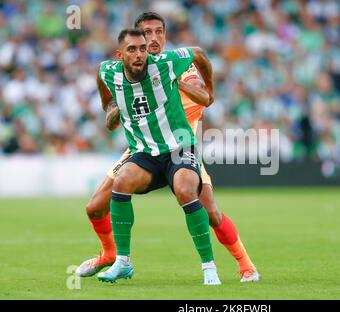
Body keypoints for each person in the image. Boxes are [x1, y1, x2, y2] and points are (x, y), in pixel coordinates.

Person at [76, 12, 260, 282]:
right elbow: (111, 106)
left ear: (165, 35)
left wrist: (189, 86)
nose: (152, 39)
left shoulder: (176, 65)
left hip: (181, 146)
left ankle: (247, 265)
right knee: (95, 207)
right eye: (146, 34)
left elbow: (205, 97)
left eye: (158, 32)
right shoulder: (125, 69)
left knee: (209, 211)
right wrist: (114, 110)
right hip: (143, 147)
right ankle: (110, 255)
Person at [92, 28, 220, 284]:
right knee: (122, 181)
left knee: (185, 190)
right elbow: (107, 102)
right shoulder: (107, 72)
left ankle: (209, 267)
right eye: (132, 50)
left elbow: (200, 54)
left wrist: (210, 90)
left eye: (142, 48)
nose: (139, 55)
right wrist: (112, 109)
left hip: (178, 147)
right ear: (120, 55)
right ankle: (123, 262)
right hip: (145, 153)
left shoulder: (165, 63)